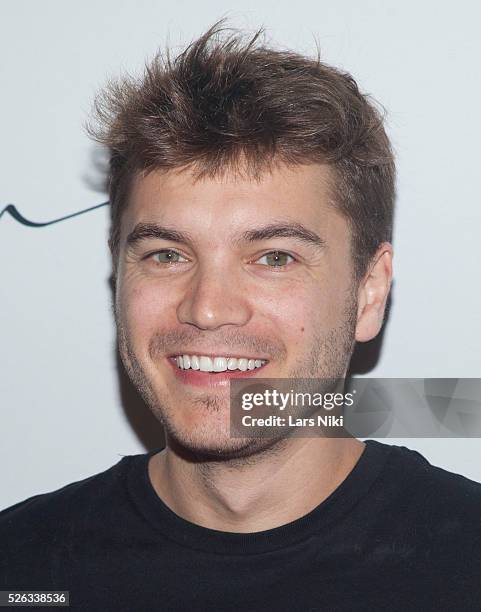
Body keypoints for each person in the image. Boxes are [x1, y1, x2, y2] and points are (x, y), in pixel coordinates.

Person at [1, 23, 480, 611]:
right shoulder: (21, 565)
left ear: (369, 292)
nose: (206, 308)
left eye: (274, 257)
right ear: (118, 276)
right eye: (167, 255)